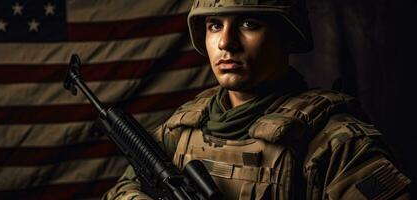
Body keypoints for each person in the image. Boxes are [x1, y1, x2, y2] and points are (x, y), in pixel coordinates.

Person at [103, 0, 411, 199]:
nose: (226, 42)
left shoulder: (334, 141)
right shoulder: (183, 127)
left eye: (249, 24)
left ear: (284, 35)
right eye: (214, 26)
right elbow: (122, 189)